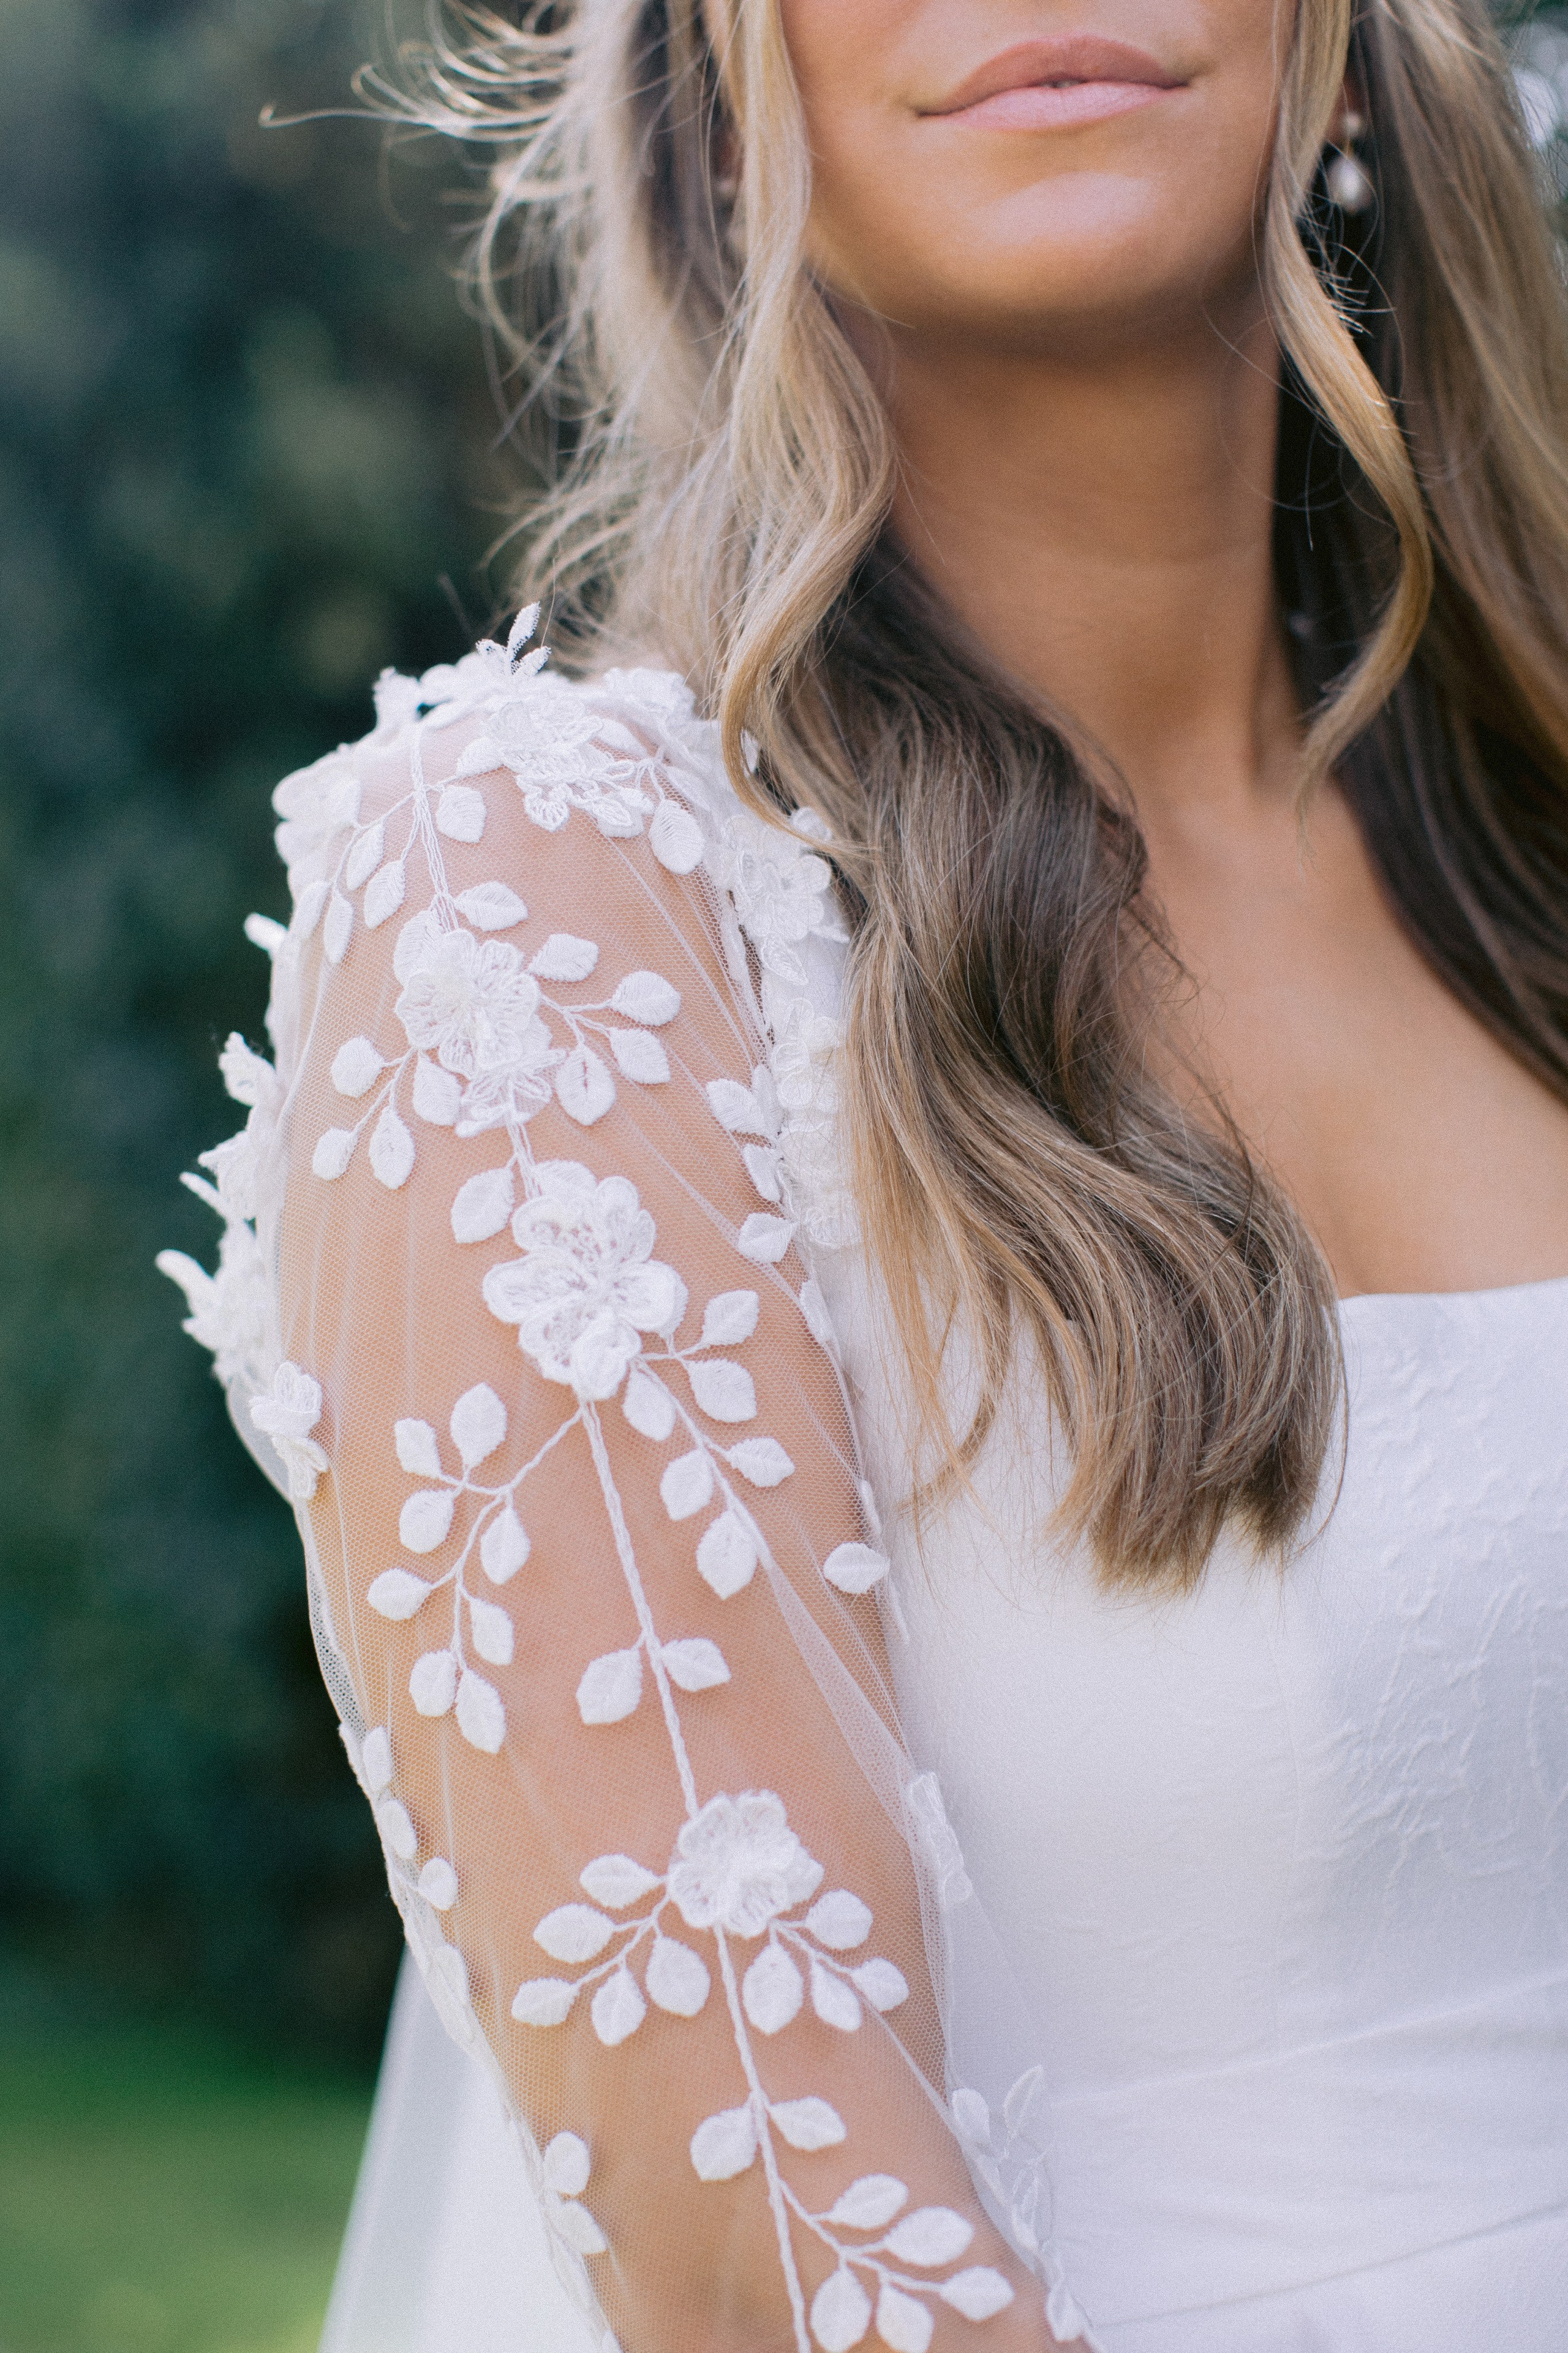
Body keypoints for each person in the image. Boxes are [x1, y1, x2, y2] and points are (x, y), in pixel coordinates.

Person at [159, 0, 1568, 2346]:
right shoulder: (555, 900)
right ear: (714, 88)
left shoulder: (1528, 859)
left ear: (1336, 63)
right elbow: (773, 2279)